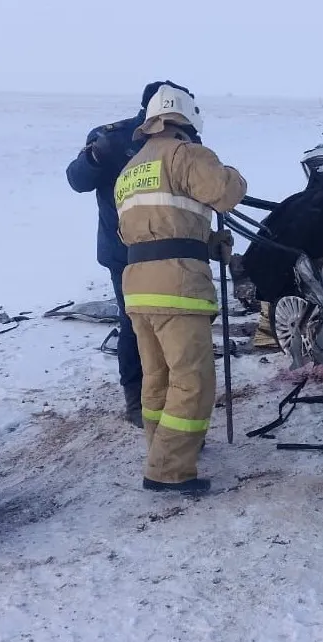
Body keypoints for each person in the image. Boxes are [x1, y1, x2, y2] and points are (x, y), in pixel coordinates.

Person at [115, 83, 246, 494]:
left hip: (137, 287)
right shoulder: (187, 154)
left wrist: (204, 243)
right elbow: (226, 193)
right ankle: (168, 470)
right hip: (177, 288)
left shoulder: (131, 168)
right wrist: (231, 172)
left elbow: (147, 230)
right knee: (193, 381)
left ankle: (161, 449)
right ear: (188, 119)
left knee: (157, 378)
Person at [66, 81, 190, 428]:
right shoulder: (113, 138)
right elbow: (77, 180)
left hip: (174, 249)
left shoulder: (185, 138)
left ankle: (176, 396)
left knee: (179, 324)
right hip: (126, 253)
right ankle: (138, 402)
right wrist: (93, 157)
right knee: (136, 326)